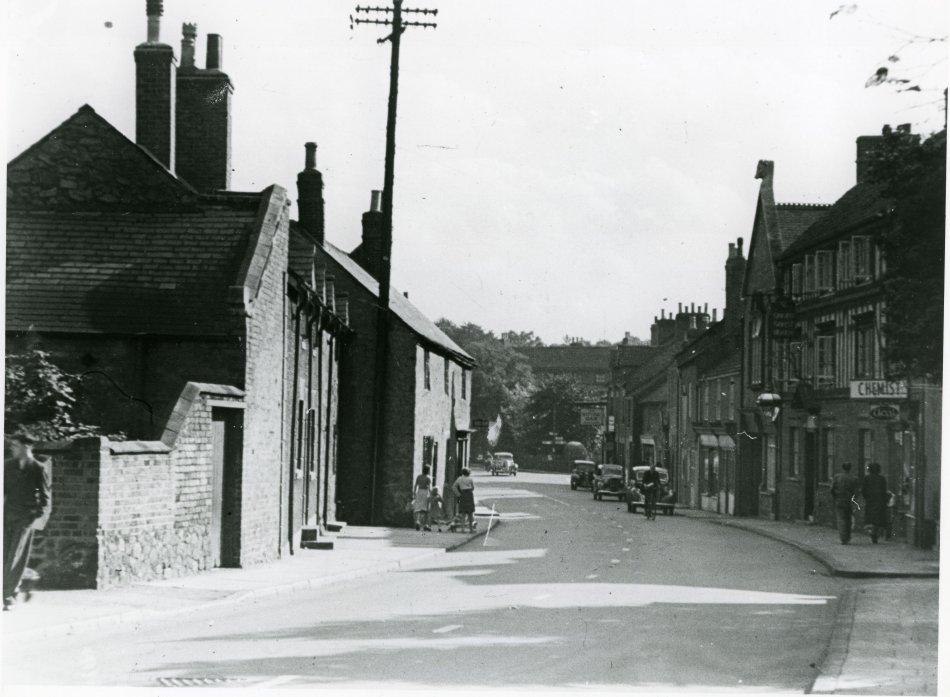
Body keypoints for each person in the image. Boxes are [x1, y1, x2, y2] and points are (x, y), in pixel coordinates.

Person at [4, 434, 51, 610]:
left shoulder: (38, 468)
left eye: (15, 445)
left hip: (24, 518)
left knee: (16, 556)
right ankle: (11, 590)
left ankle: (9, 595)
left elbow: (45, 496)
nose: (11, 448)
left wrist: (34, 516)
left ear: (27, 447)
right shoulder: (8, 465)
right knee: (5, 554)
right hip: (7, 515)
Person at [830, 461, 860, 545]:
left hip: (839, 499)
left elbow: (832, 489)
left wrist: (835, 497)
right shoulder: (854, 478)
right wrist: (853, 499)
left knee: (841, 518)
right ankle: (847, 536)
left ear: (843, 468)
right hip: (849, 500)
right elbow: (857, 492)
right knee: (848, 518)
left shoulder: (837, 477)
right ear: (850, 468)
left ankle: (843, 538)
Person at [862, 462, 889, 544]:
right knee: (878, 518)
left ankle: (873, 533)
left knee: (871, 518)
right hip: (879, 500)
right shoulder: (882, 479)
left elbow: (864, 490)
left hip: (870, 500)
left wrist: (866, 497)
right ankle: (875, 533)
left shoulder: (867, 478)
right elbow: (884, 490)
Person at [453, 467, 476, 533]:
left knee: (463, 513)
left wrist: (458, 494)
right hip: (469, 495)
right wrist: (470, 490)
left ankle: (462, 529)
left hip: (462, 494)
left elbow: (454, 487)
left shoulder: (459, 479)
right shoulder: (470, 479)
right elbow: (473, 488)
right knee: (470, 512)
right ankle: (471, 529)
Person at [412, 466, 432, 531]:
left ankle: (418, 521)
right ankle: (425, 524)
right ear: (428, 471)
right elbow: (429, 488)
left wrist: (414, 493)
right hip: (425, 492)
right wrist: (431, 494)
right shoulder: (428, 478)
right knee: (425, 508)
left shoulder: (419, 477)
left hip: (419, 492)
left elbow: (415, 485)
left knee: (418, 507)